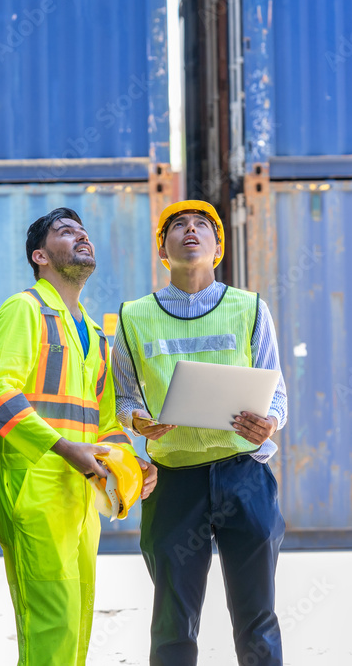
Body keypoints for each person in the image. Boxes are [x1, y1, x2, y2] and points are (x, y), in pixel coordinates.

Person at [112, 199, 288, 666]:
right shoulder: (132, 317)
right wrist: (137, 422)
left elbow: (278, 396)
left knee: (257, 617)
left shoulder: (250, 308)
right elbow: (124, 398)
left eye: (202, 226)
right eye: (178, 226)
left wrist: (269, 422)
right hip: (173, 481)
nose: (190, 230)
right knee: (173, 620)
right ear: (163, 250)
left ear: (217, 249)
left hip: (243, 476)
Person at [0, 207, 157, 666]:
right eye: (65, 231)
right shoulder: (25, 310)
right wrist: (65, 449)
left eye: (83, 231)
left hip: (81, 498)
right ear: (40, 256)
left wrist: (130, 467)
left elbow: (105, 426)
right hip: (35, 492)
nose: (81, 236)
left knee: (76, 630)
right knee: (50, 630)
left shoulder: (97, 336)